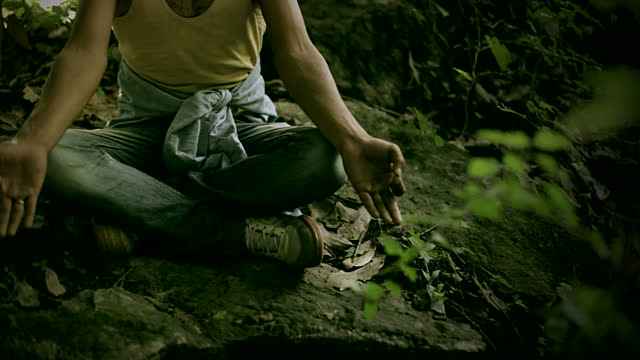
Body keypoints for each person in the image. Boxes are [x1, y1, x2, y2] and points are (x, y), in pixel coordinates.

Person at [0, 0, 406, 268]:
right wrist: (32, 141)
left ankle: (140, 210)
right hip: (146, 134)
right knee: (54, 156)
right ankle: (236, 234)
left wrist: (354, 140)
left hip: (238, 129)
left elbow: (298, 52)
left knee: (327, 157)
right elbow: (84, 53)